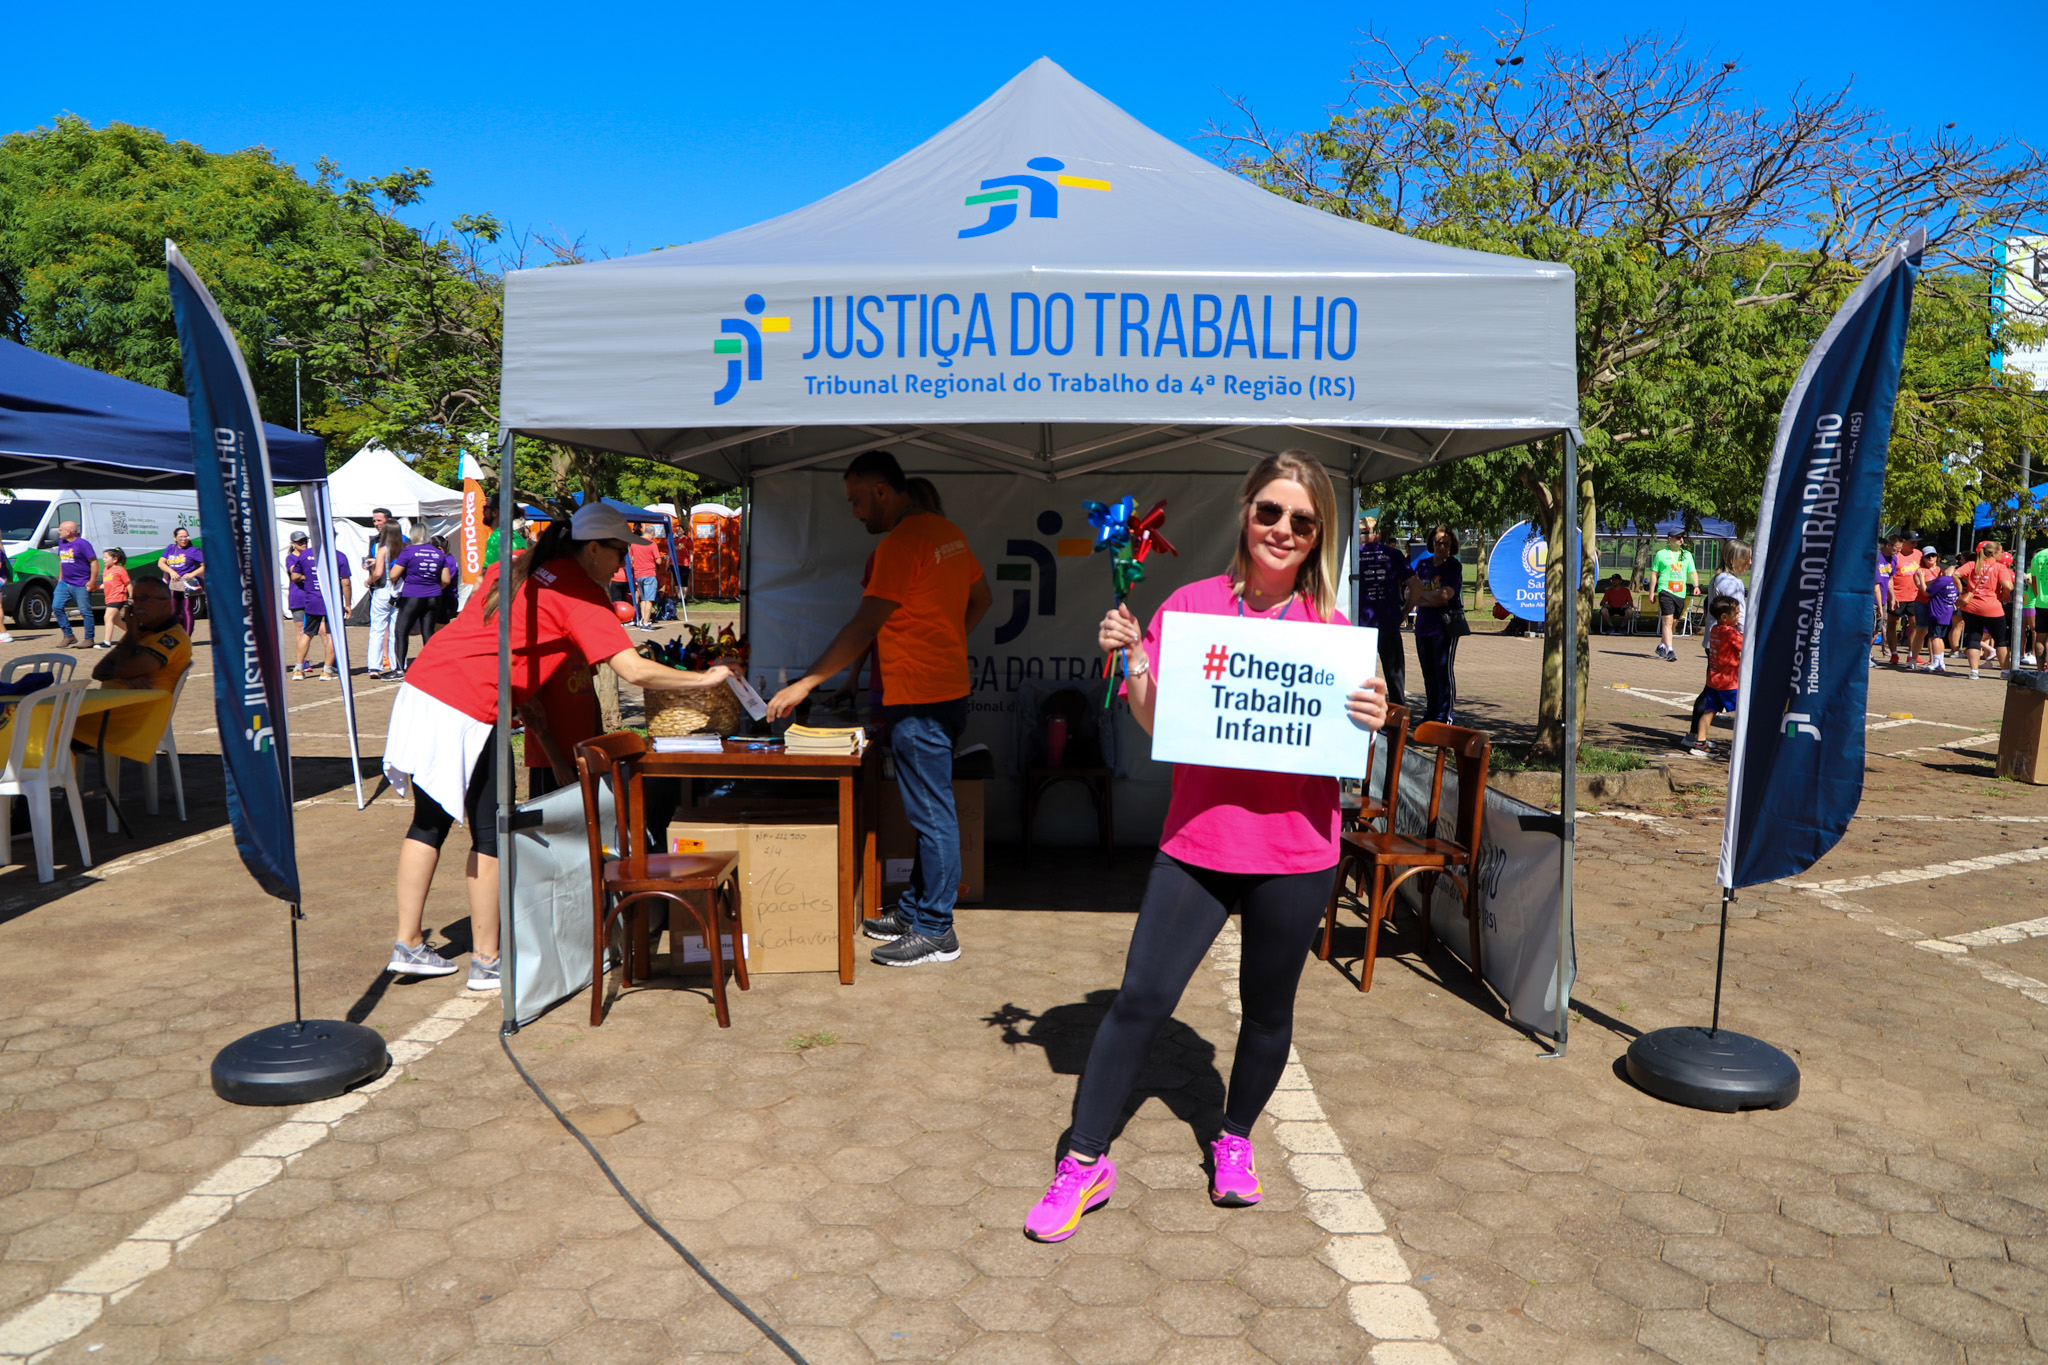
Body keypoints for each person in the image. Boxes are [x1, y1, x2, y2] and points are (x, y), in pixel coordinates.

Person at [1023, 450, 1388, 1244]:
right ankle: (1084, 1159)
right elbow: (1157, 722)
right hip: (1197, 843)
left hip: (1296, 852)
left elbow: (1352, 743)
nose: (1283, 530)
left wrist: (1373, 714)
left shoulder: (1333, 633)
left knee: (1267, 1013)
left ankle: (1233, 1136)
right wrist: (1139, 661)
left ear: (1317, 533)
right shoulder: (1188, 607)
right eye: (1270, 513)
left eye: (1301, 520)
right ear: (1245, 513)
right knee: (1140, 999)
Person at [381, 502, 733, 988]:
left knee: (429, 822)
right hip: (468, 706)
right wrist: (704, 679)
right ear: (592, 549)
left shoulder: (521, 565)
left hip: (424, 687)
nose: (621, 564)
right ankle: (487, 961)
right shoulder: (581, 593)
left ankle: (409, 943)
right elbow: (632, 669)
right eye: (617, 554)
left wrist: (534, 716)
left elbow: (503, 642)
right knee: (491, 834)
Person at [766, 451, 992, 967]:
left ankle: (937, 931)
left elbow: (863, 626)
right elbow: (983, 598)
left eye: (856, 501)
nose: (855, 513)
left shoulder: (901, 545)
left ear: (882, 492)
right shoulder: (945, 531)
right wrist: (949, 643)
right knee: (926, 810)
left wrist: (806, 684)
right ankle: (917, 910)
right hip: (947, 690)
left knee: (932, 814)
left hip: (921, 698)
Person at [73, 578, 192, 761]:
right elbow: (99, 671)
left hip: (132, 721)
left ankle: (55, 784)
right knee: (49, 724)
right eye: (135, 599)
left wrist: (128, 648)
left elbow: (125, 667)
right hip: (113, 712)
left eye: (145, 599)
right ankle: (57, 784)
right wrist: (127, 675)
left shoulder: (173, 637)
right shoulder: (140, 632)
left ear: (165, 605)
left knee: (54, 726)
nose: (138, 605)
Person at [1353, 516, 1413, 707]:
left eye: (1363, 532)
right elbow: (1416, 586)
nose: (1364, 536)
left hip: (1361, 626)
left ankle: (1363, 718)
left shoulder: (1352, 555)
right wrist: (1406, 611)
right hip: (1389, 623)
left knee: (1360, 679)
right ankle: (1398, 720)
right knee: (1395, 679)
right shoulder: (1393, 554)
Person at [1406, 526, 1462, 725]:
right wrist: (1429, 598)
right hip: (1423, 627)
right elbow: (1408, 594)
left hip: (1444, 628)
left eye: (1446, 543)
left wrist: (1420, 597)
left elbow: (1445, 597)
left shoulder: (1453, 566)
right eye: (1438, 542)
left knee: (1442, 672)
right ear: (1432, 543)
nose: (1441, 547)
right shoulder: (1422, 565)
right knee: (1428, 673)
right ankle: (1431, 713)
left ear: (1452, 545)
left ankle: (1445, 714)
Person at [287, 531, 350, 681]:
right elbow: (346, 582)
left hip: (311, 600)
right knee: (331, 634)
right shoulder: (339, 556)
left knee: (307, 633)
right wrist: (348, 603)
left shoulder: (304, 555)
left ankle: (298, 669)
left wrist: (310, 577)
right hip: (331, 601)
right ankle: (327, 671)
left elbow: (294, 576)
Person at [1685, 596, 1743, 759]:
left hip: (1714, 680)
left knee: (1709, 712)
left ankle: (1699, 743)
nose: (1739, 617)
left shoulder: (1715, 630)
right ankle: (1740, 746)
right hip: (1729, 683)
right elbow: (1746, 646)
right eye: (1737, 614)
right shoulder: (1731, 632)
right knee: (1743, 713)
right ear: (1725, 617)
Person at [389, 528, 452, 676]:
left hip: (413, 595)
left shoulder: (409, 551)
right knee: (428, 632)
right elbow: (446, 579)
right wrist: (434, 586)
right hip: (434, 596)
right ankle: (431, 667)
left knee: (401, 631)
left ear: (413, 535)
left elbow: (393, 574)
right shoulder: (438, 552)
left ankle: (399, 669)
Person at [1957, 540, 2016, 680]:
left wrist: (1961, 590)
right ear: (1994, 553)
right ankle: (2005, 671)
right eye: (2001, 551)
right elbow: (2008, 586)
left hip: (1970, 607)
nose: (2003, 554)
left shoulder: (1973, 564)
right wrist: (2007, 593)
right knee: (2001, 640)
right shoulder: (1999, 567)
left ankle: (1974, 671)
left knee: (1973, 637)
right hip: (1992, 607)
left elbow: (1955, 574)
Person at [1648, 531, 1697, 662]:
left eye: (1682, 537)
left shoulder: (1687, 555)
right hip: (1665, 590)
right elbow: (1654, 574)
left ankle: (1662, 645)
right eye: (1678, 537)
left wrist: (1696, 586)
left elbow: (1692, 572)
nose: (1681, 540)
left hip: (1680, 593)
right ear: (1670, 539)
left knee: (1674, 622)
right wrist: (1651, 592)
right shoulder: (1661, 554)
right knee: (1667, 621)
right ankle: (1670, 650)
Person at [365, 523, 405, 678]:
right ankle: (398, 664)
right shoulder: (404, 548)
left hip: (383, 588)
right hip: (400, 590)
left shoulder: (382, 549)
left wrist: (369, 580)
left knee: (377, 629)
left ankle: (374, 666)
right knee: (397, 630)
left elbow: (379, 572)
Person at [52, 521, 99, 648]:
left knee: (85, 611)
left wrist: (92, 581)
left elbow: (94, 562)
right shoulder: (62, 543)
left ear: (68, 532)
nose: (58, 531)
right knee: (56, 607)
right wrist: (60, 580)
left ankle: (89, 639)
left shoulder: (83, 544)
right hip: (64, 583)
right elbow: (63, 561)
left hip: (80, 583)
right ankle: (69, 635)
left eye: (60, 529)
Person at [1888, 531, 1926, 668]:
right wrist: (1892, 595)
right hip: (1898, 595)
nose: (1915, 545)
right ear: (1903, 541)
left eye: (1916, 542)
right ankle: (1894, 653)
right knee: (1893, 623)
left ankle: (1912, 653)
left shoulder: (1918, 554)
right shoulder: (1895, 555)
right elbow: (1890, 577)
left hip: (1915, 595)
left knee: (1915, 624)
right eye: (1912, 542)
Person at [160, 527, 204, 634]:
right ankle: (176, 633)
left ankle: (186, 637)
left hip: (188, 584)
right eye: (181, 536)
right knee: (172, 610)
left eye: (186, 536)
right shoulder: (171, 548)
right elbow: (161, 563)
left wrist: (192, 574)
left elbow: (205, 565)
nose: (184, 539)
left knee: (187, 610)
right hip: (174, 584)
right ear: (175, 538)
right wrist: (171, 572)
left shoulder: (193, 550)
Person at [1922, 552, 1956, 674]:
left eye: (1944, 566)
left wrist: (1920, 579)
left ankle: (1936, 662)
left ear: (1951, 567)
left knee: (1935, 637)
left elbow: (1926, 592)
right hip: (1946, 611)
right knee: (1939, 637)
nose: (1941, 568)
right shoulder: (1953, 580)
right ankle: (1940, 661)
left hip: (1937, 611)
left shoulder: (1943, 580)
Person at [1708, 542, 1751, 631]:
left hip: (1715, 637)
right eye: (1746, 558)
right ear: (1732, 560)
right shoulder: (1732, 583)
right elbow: (1738, 614)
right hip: (1730, 640)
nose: (1750, 562)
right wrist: (1747, 637)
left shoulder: (1716, 578)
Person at [628, 530, 660, 629]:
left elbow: (631, 558)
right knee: (649, 599)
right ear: (652, 533)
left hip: (638, 574)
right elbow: (658, 560)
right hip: (649, 573)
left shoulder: (634, 543)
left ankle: (642, 620)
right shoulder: (652, 543)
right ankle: (646, 623)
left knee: (643, 598)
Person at [2024, 541, 2048, 668]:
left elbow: (2033, 580)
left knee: (2040, 637)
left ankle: (2040, 670)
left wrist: (2038, 596)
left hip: (2041, 603)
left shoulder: (2038, 557)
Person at [99, 549, 130, 647]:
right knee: (116, 621)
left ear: (115, 559)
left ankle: (107, 642)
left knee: (107, 617)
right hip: (109, 598)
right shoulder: (105, 570)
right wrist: (95, 587)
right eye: (103, 557)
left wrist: (132, 597)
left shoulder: (120, 570)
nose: (104, 559)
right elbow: (106, 584)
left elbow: (128, 584)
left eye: (106, 557)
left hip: (118, 597)